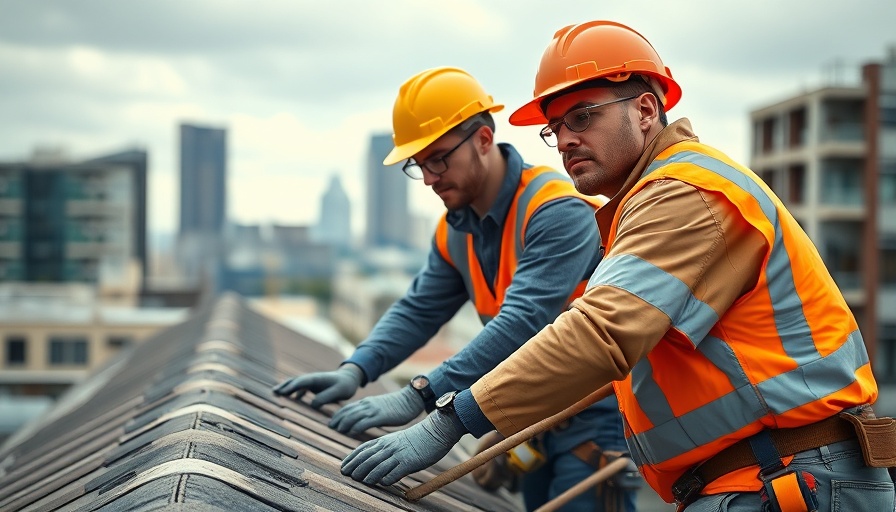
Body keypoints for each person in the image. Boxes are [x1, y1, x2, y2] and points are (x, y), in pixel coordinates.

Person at [339, 21, 896, 512]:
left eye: (582, 116)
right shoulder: (643, 202)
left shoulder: (684, 194)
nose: (566, 140)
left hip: (792, 477)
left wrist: (449, 418)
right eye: (555, 128)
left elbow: (598, 333)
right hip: (765, 475)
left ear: (647, 109)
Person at [274, 66, 637, 512]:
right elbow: (419, 309)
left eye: (439, 158)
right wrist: (357, 369)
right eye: (418, 164)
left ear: (484, 140)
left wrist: (421, 396)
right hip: (530, 411)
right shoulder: (456, 228)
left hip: (596, 415)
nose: (429, 177)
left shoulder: (557, 210)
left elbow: (523, 322)